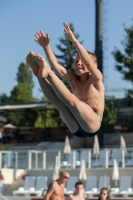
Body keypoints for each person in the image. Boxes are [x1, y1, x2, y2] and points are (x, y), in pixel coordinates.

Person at [26, 22, 105, 138]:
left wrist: (74, 40)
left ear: (95, 65)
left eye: (81, 61)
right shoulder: (73, 78)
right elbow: (57, 67)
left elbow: (88, 61)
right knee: (59, 104)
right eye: (76, 61)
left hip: (92, 125)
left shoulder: (96, 79)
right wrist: (46, 47)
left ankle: (48, 74)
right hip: (76, 127)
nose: (78, 63)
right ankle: (38, 73)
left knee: (73, 102)